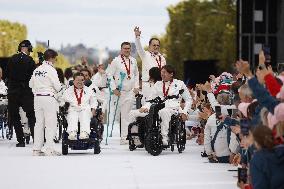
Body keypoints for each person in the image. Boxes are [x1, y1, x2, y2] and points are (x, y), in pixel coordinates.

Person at [134, 65, 192, 145]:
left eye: (164, 72)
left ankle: (164, 138)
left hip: (174, 108)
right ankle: (143, 138)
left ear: (171, 74)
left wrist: (185, 112)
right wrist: (145, 107)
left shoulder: (179, 84)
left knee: (164, 112)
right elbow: (151, 99)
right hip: (158, 107)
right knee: (139, 114)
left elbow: (189, 99)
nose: (162, 74)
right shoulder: (158, 84)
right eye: (161, 72)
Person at [29, 49, 62, 156]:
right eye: (55, 58)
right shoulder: (51, 70)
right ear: (52, 58)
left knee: (38, 124)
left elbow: (30, 84)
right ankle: (49, 149)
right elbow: (57, 86)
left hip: (37, 98)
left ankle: (36, 149)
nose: (56, 60)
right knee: (50, 124)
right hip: (48, 98)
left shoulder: (37, 69)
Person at [107, 42, 139, 144]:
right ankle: (123, 137)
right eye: (125, 48)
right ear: (121, 49)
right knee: (121, 115)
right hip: (120, 92)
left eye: (128, 48)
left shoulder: (133, 61)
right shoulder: (116, 61)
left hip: (130, 91)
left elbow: (136, 74)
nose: (127, 50)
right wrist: (113, 89)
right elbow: (109, 75)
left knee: (127, 115)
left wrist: (136, 87)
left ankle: (126, 137)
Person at [7, 40, 36, 147]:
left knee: (15, 117)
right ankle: (35, 139)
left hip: (13, 92)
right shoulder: (30, 60)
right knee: (31, 116)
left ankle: (21, 141)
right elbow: (33, 77)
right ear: (28, 49)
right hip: (26, 92)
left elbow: (7, 74)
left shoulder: (12, 59)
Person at [134, 26, 166, 102]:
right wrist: (137, 37)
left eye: (158, 45)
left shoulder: (162, 58)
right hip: (148, 85)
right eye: (154, 45)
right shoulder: (145, 55)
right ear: (149, 46)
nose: (156, 47)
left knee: (159, 107)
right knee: (147, 108)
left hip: (160, 84)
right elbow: (139, 48)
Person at [62, 72, 98, 140]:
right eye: (78, 80)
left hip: (85, 109)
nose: (80, 82)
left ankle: (84, 133)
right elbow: (63, 101)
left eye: (82, 80)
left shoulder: (89, 90)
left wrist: (93, 110)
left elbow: (94, 102)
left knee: (85, 114)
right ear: (73, 81)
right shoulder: (68, 91)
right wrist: (64, 107)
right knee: (72, 115)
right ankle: (72, 133)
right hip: (73, 109)